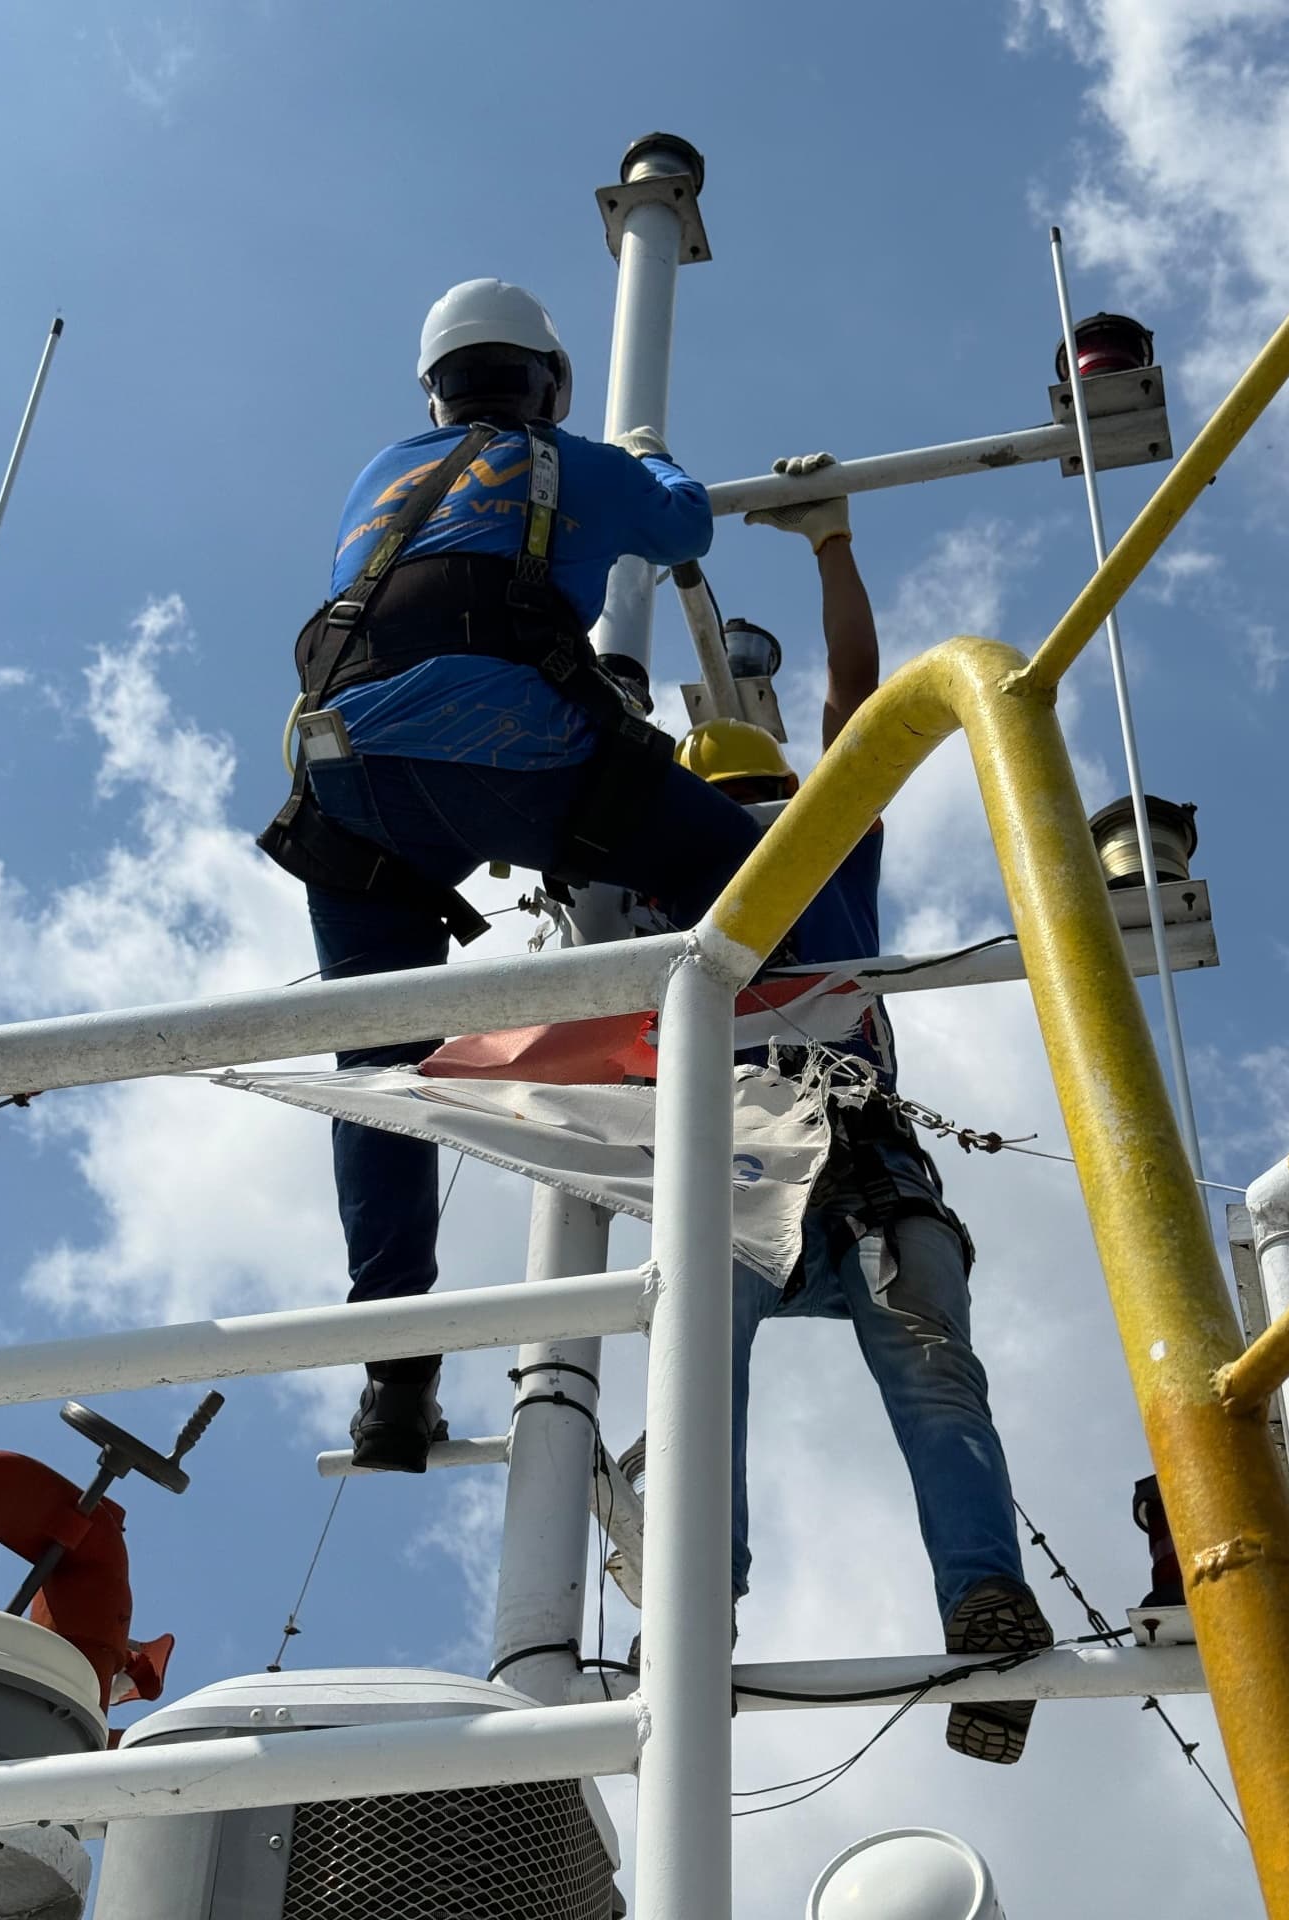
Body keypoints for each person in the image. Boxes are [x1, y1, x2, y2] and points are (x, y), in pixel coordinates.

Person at [261, 279, 761, 1473]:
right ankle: (802, 1078)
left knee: (379, 1070)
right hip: (516, 756)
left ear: (434, 392)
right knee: (749, 871)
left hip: (348, 779)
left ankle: (394, 1375)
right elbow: (684, 529)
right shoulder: (577, 463)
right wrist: (649, 454)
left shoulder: (379, 474)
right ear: (551, 384)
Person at [684, 452, 1053, 1766]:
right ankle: (976, 1605)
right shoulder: (790, 844)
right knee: (927, 1379)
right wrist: (831, 543)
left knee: (709, 1368)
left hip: (813, 1165)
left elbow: (857, 702)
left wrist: (833, 546)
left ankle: (707, 1605)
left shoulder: (758, 852)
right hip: (794, 1169)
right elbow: (859, 695)